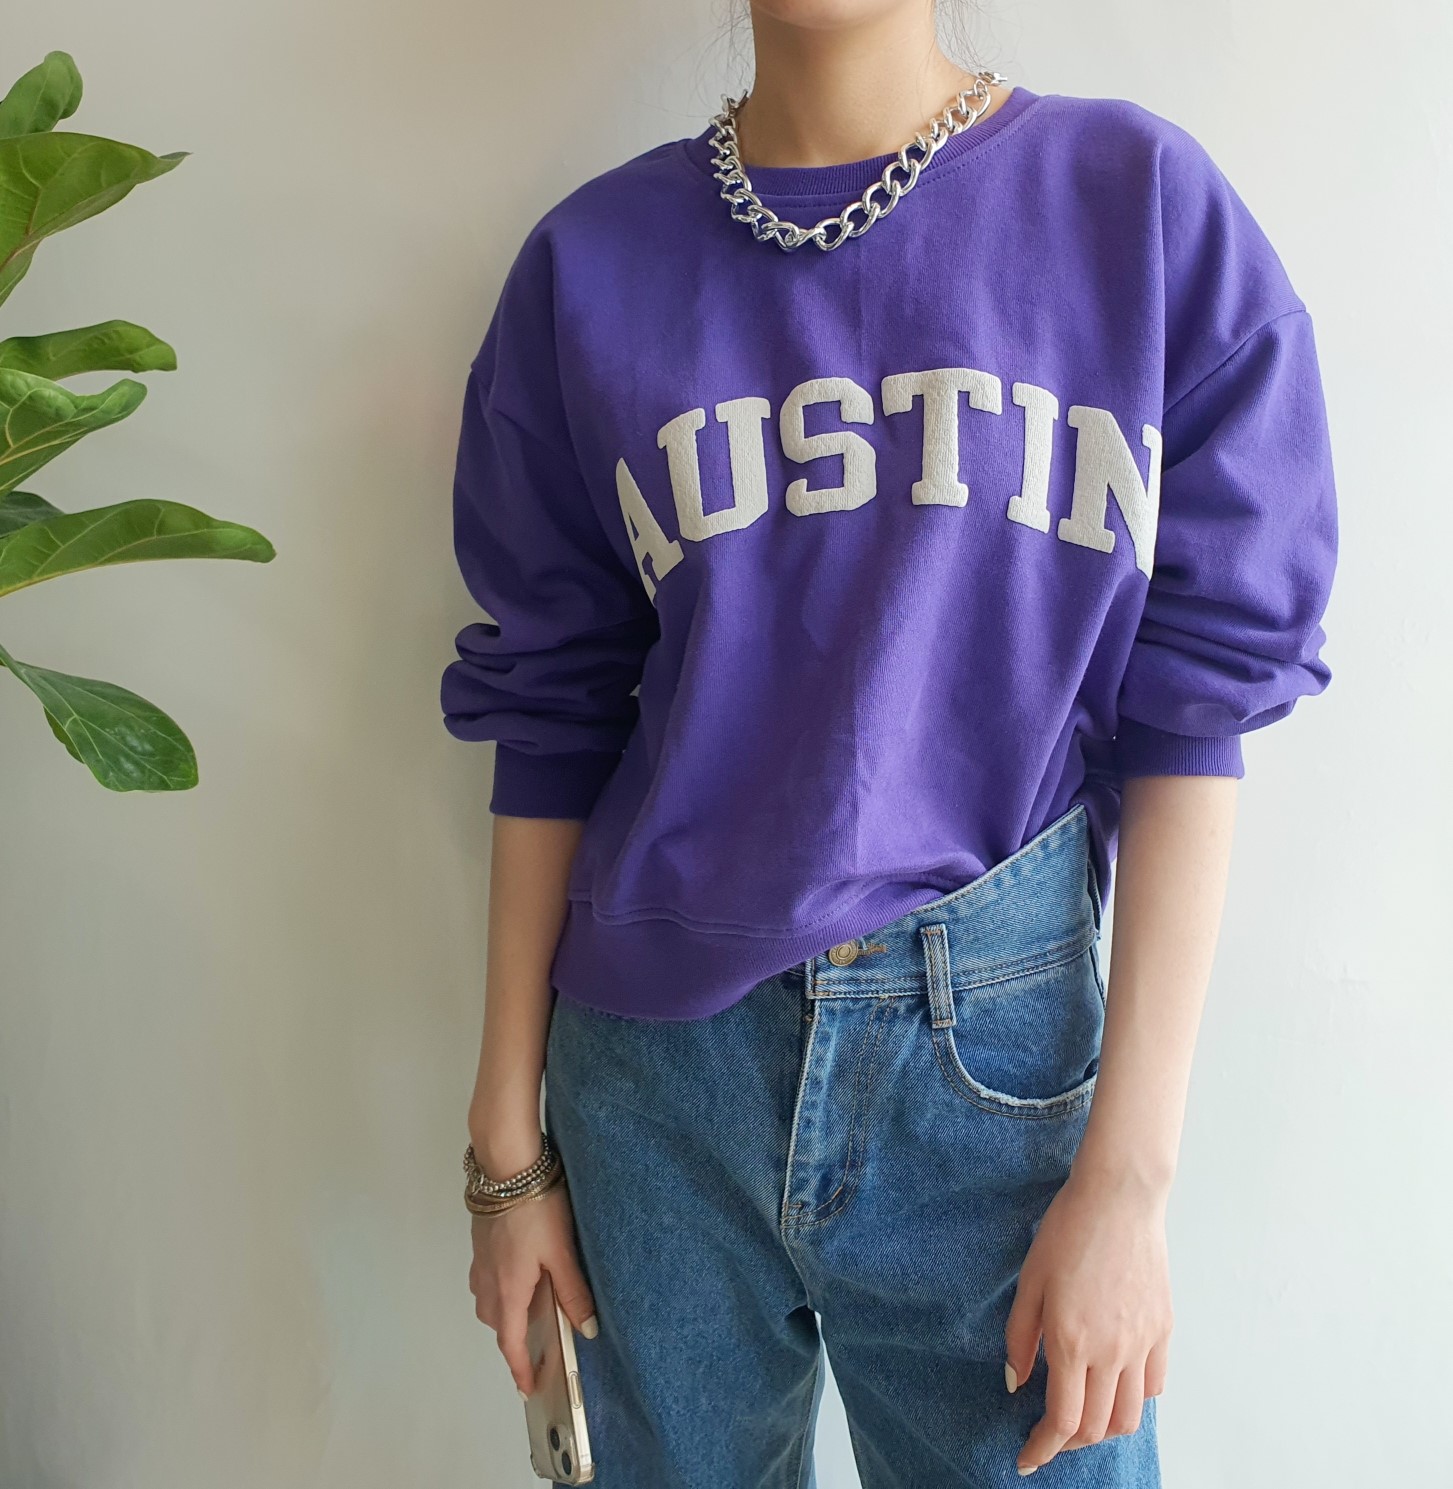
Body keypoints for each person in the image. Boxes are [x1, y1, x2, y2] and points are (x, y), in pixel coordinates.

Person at [444, 2, 1338, 1483]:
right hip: (655, 1094)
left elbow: (1198, 704)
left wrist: (1129, 1183)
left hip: (997, 1084)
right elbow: (549, 709)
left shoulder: (1135, 209)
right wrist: (505, 1155)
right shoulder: (588, 266)